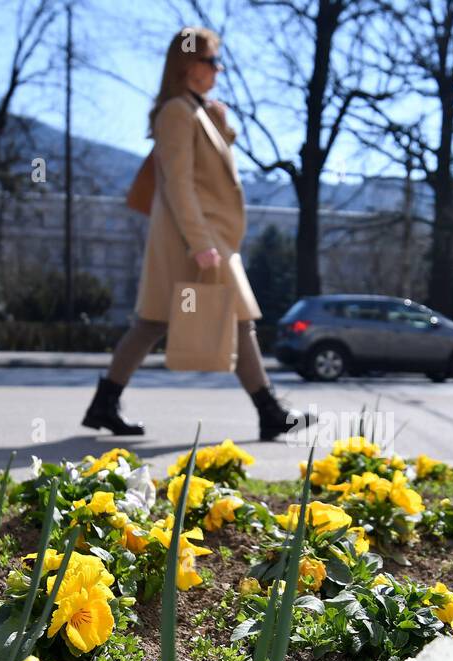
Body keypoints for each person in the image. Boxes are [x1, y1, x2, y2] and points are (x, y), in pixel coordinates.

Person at [83, 26, 313, 441]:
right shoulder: (176, 112)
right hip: (194, 240)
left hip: (198, 238)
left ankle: (105, 402)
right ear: (189, 65)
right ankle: (269, 411)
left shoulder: (195, 111)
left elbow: (207, 169)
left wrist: (220, 123)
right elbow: (178, 182)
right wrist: (201, 241)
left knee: (152, 323)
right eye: (211, 61)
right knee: (238, 317)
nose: (218, 69)